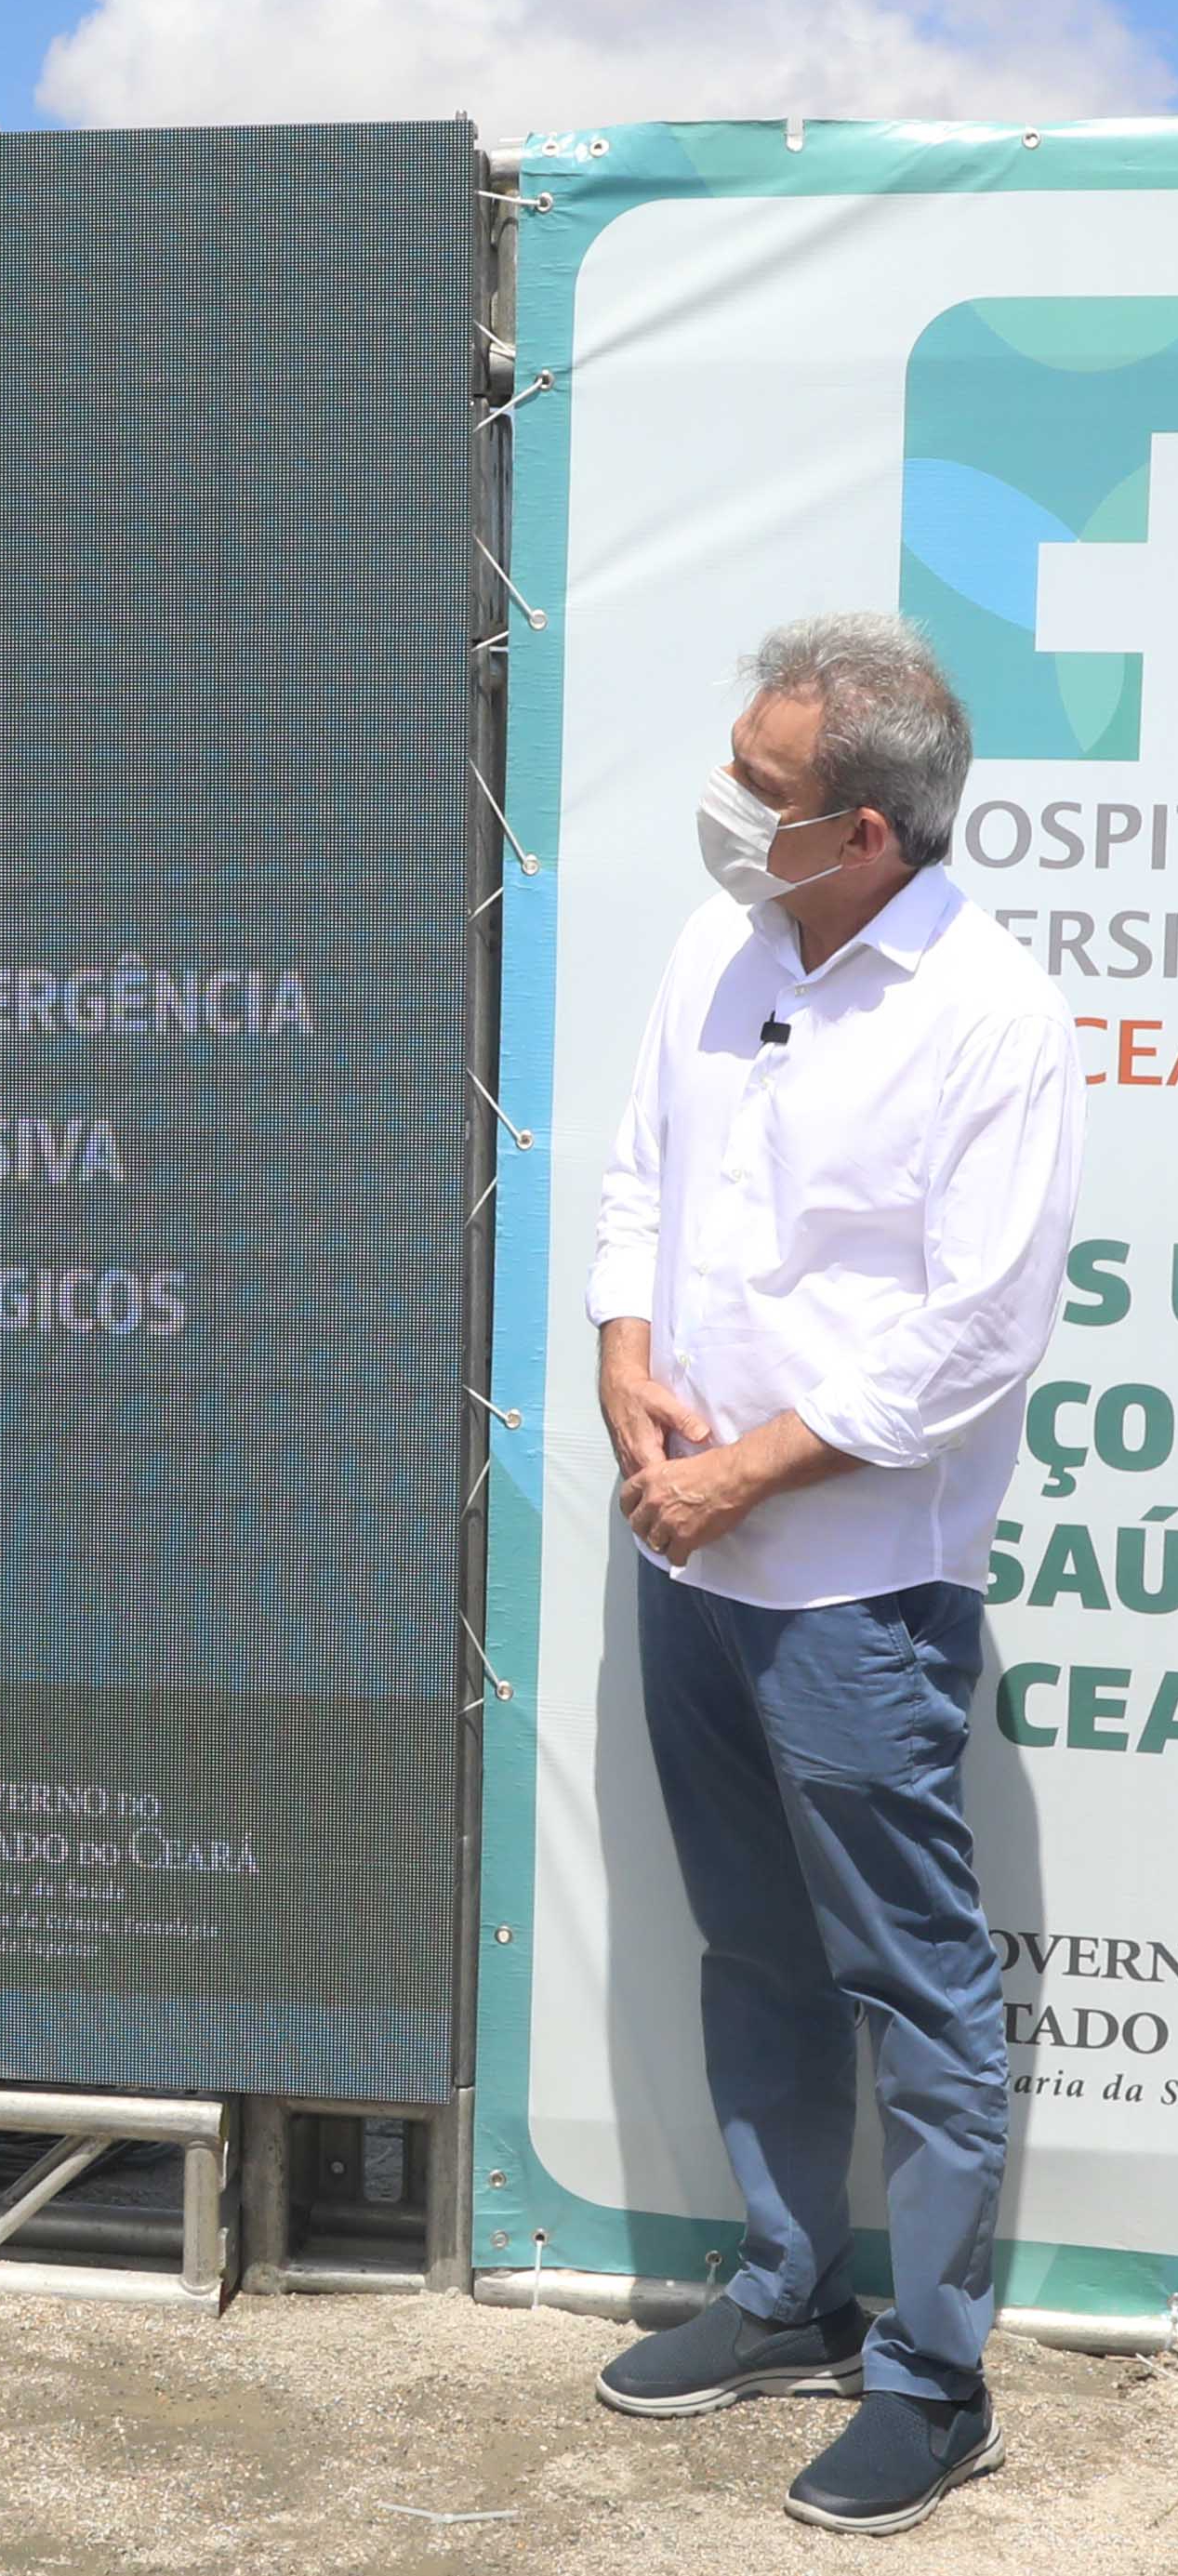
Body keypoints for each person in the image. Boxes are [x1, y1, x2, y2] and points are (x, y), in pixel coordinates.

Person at [585, 613, 1079, 2537]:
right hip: (690, 1555)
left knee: (913, 1978)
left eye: (764, 790)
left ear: (867, 831)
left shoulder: (990, 1018)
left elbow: (975, 1339)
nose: (727, 814)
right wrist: (630, 1363)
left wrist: (751, 1479)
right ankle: (791, 2291)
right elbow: (640, 1177)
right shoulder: (723, 947)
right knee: (751, 1942)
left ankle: (935, 2382)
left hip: (856, 1587)